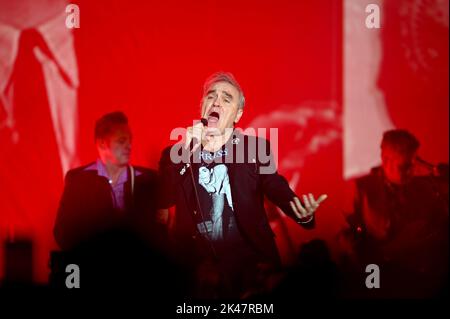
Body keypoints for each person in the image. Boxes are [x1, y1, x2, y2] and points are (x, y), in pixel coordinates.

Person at [158, 72, 328, 298]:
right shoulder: (175, 154)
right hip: (199, 273)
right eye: (211, 96)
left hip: (252, 267)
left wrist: (300, 211)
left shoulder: (255, 149)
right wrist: (187, 151)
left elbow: (275, 185)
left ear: (238, 114)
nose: (217, 101)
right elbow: (164, 198)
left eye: (226, 98)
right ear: (202, 106)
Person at [52, 111, 171, 290]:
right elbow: (62, 233)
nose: (129, 146)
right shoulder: (78, 180)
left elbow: (161, 236)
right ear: (101, 143)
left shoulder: (148, 180)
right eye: (121, 141)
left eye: (130, 140)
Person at [339, 129, 448, 298]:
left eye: (413, 163)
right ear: (385, 161)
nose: (412, 170)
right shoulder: (362, 189)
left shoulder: (423, 186)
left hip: (417, 275)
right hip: (379, 273)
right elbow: (346, 238)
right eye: (405, 166)